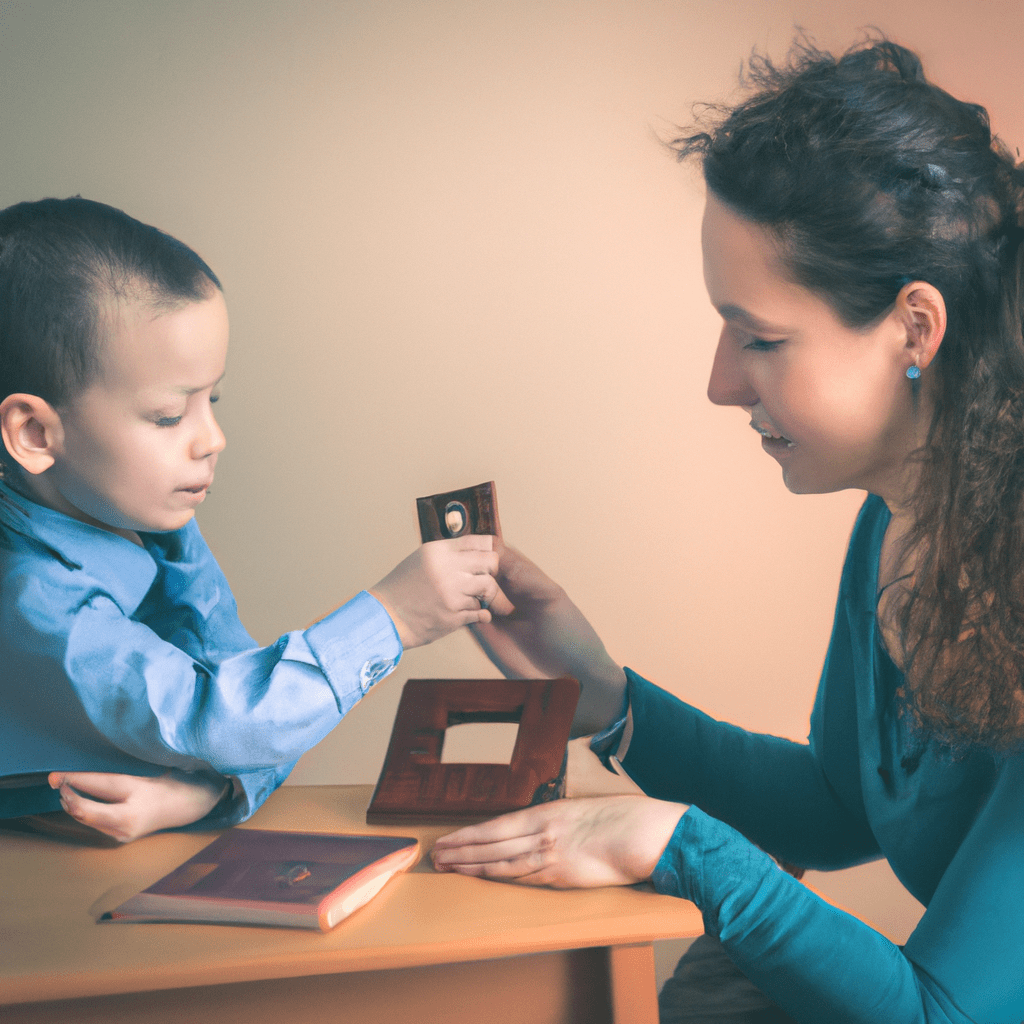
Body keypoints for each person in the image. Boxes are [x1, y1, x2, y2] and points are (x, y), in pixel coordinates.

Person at [431, 38, 1024, 1023]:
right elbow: (836, 811)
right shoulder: (901, 518)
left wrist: (677, 846)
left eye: (759, 337)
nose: (717, 382)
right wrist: (605, 700)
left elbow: (947, 1014)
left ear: (915, 329)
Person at [0, 197, 509, 844]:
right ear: (37, 432)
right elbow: (234, 719)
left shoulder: (160, 529)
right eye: (167, 416)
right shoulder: (37, 602)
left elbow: (260, 708)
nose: (212, 439)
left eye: (211, 401)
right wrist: (391, 619)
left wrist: (197, 793)